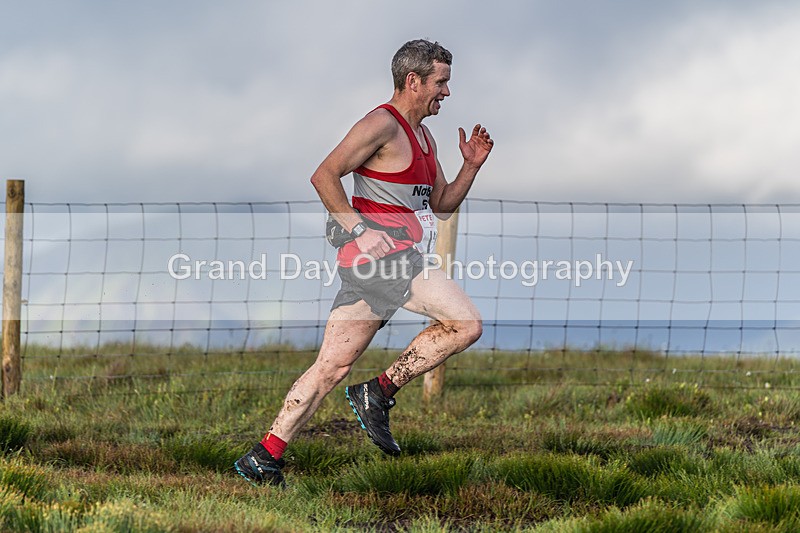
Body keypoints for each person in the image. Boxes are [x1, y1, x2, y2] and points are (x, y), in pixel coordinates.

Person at [234, 39, 494, 486]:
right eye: (441, 82)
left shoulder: (425, 137)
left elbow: (444, 203)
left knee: (330, 368)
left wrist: (470, 166)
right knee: (466, 322)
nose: (447, 93)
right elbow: (324, 175)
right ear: (413, 81)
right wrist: (359, 229)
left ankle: (264, 456)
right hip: (382, 261)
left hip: (383, 266)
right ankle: (378, 391)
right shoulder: (381, 125)